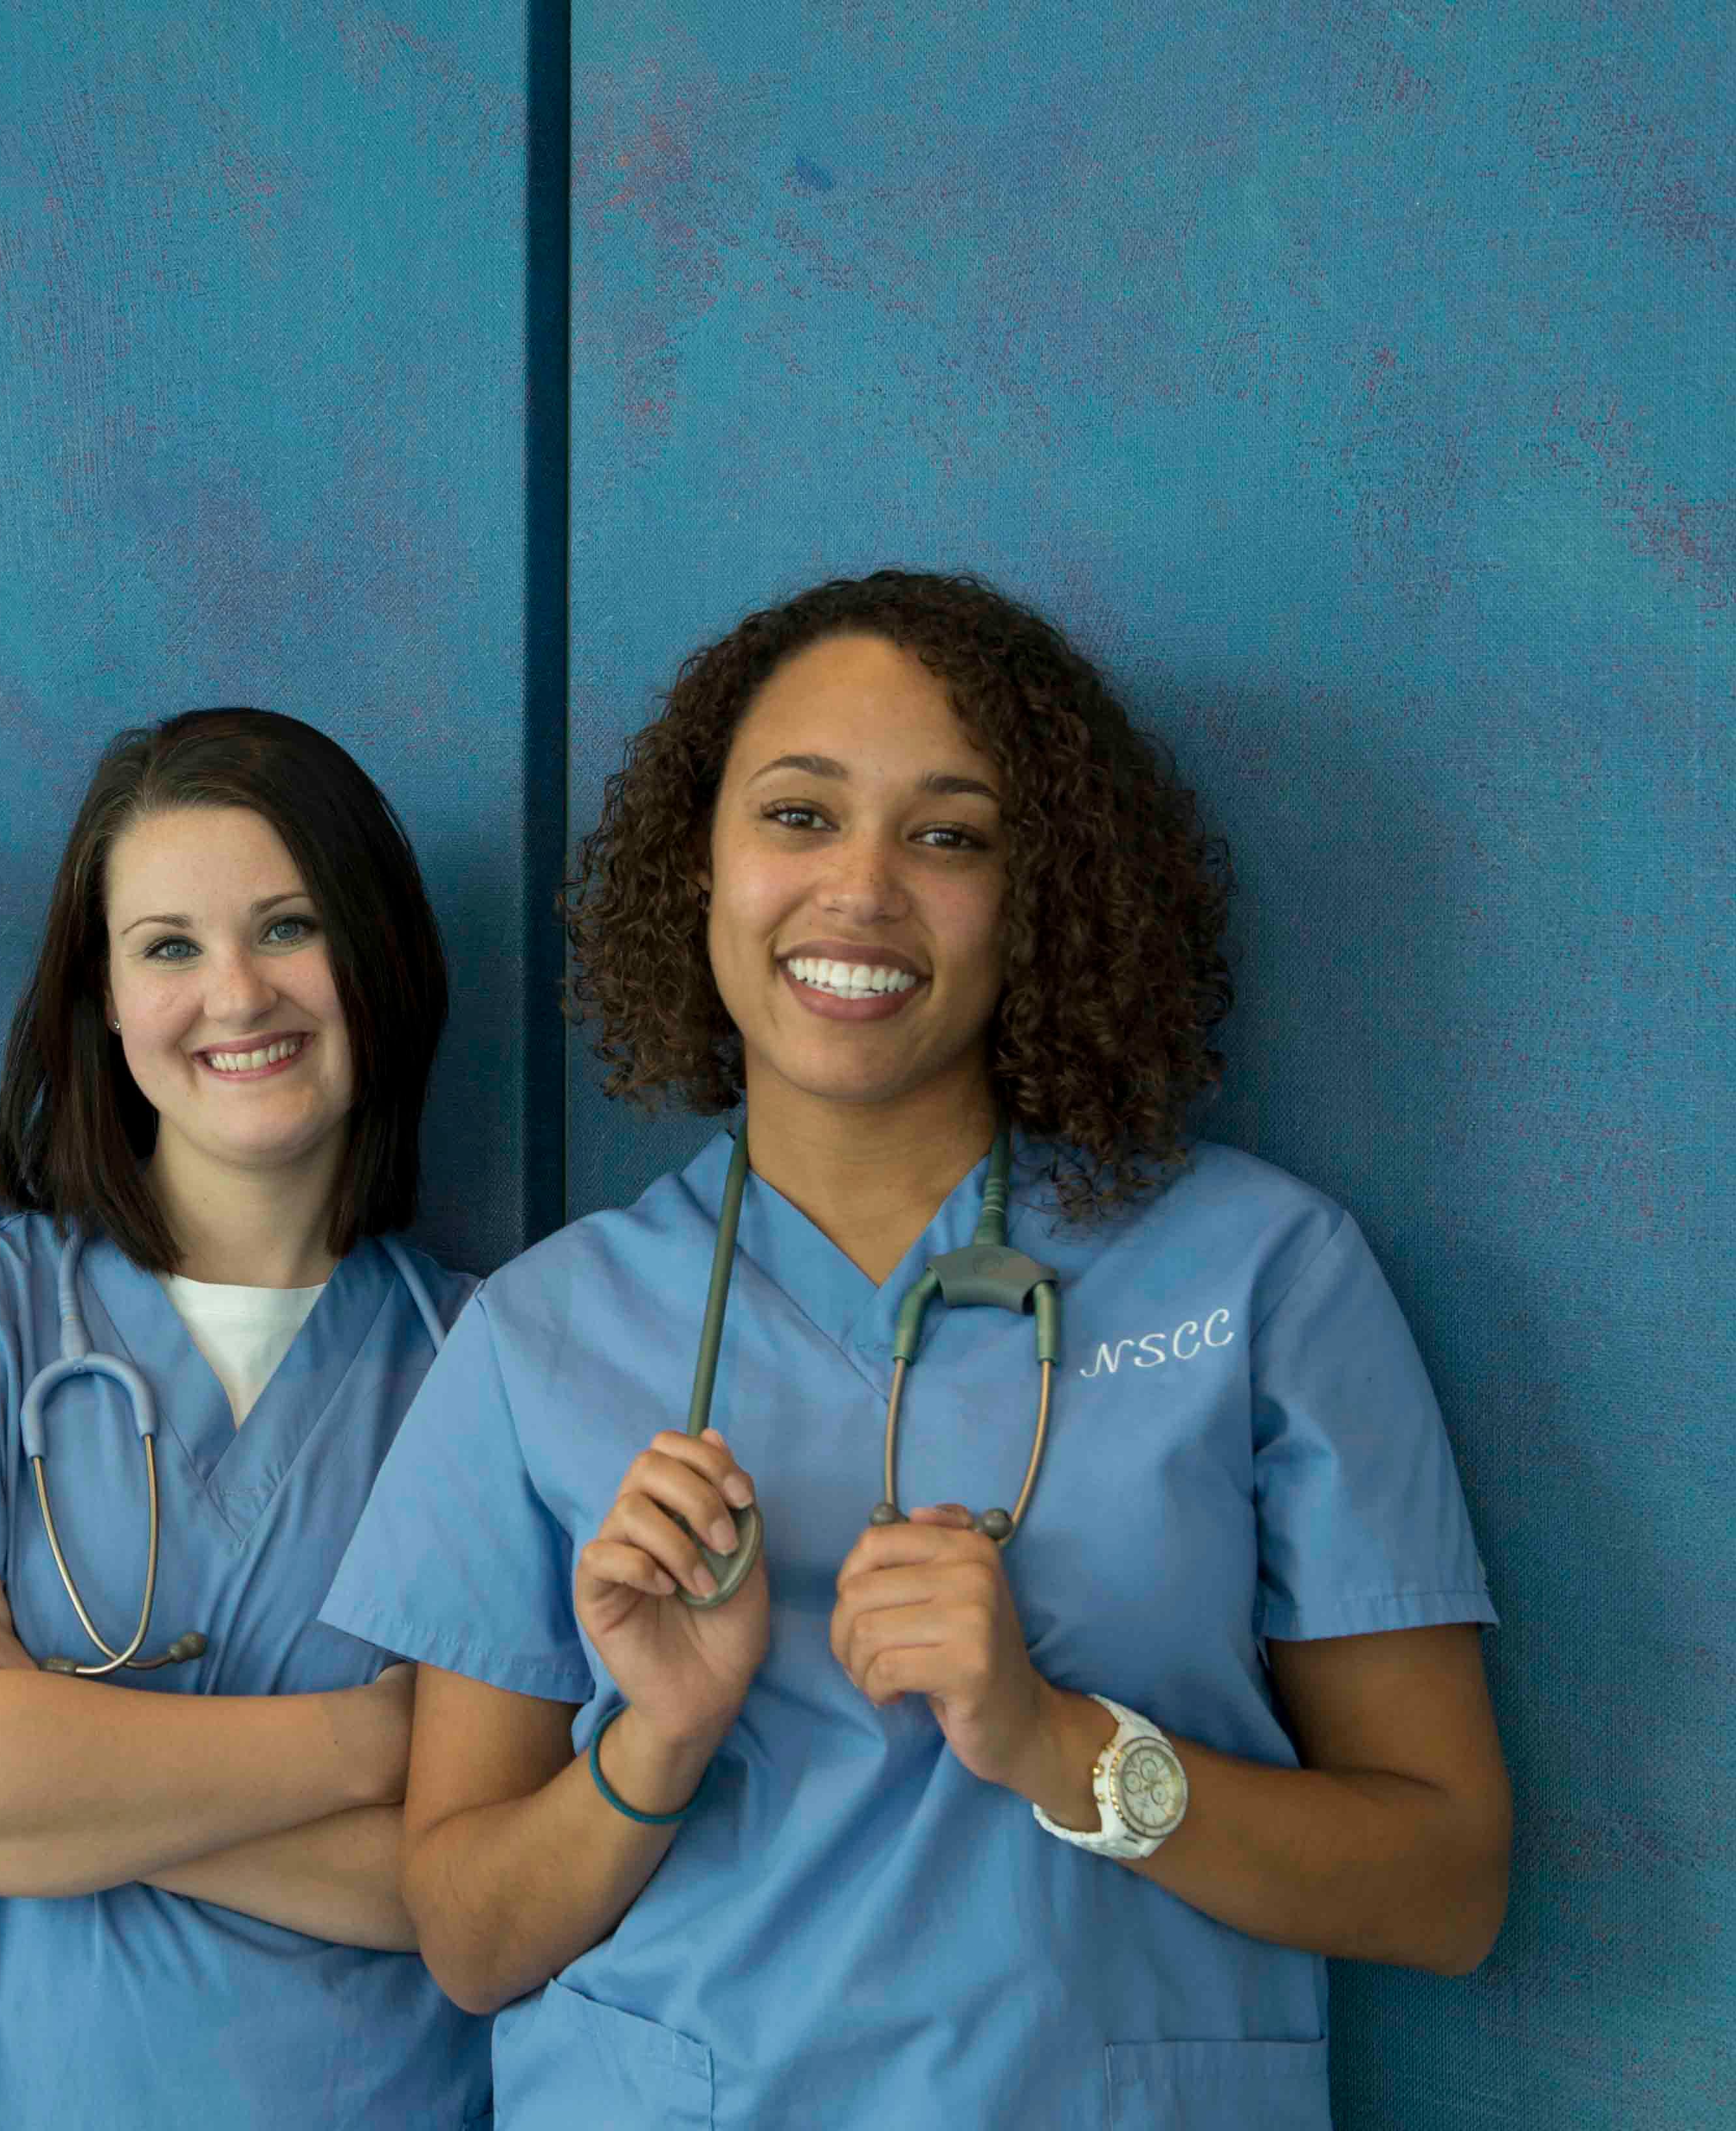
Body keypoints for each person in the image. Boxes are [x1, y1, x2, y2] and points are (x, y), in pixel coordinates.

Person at [320, 572, 1509, 2130]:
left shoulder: (1267, 1274)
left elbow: (1444, 1882)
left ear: (1039, 899)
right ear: (700, 868)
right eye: (798, 816)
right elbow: (468, 1940)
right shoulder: (542, 1332)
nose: (861, 889)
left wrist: (1056, 1742)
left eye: (948, 834)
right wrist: (658, 1740)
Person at [0, 709, 491, 2128]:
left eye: (287, 927)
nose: (237, 994)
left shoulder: (484, 1363)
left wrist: (50, 1742)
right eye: (170, 946)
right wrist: (362, 1747)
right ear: (106, 996)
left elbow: (467, 1894)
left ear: (377, 959)